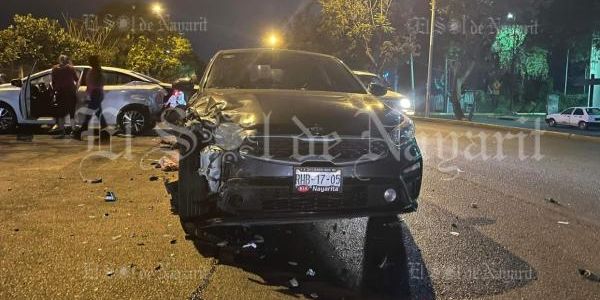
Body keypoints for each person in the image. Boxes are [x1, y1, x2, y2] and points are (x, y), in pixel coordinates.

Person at [73, 55, 107, 140]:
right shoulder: (98, 71)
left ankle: (81, 132)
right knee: (98, 114)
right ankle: (105, 133)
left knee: (90, 114)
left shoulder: (94, 71)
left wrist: (89, 93)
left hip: (95, 94)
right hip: (97, 94)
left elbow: (92, 84)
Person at [51, 55, 79, 138]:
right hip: (71, 93)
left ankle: (62, 132)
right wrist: (76, 88)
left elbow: (53, 82)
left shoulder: (55, 69)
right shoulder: (70, 68)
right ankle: (73, 131)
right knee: (72, 112)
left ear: (59, 60)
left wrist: (54, 91)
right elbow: (76, 80)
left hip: (61, 93)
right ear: (67, 60)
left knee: (61, 114)